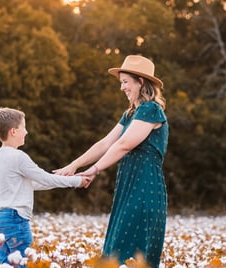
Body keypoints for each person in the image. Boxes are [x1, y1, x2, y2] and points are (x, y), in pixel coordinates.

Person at [54, 55, 169, 267]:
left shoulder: (151, 110)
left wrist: (95, 169)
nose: (122, 88)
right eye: (121, 83)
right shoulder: (131, 114)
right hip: (129, 186)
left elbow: (124, 144)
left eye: (125, 82)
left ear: (140, 82)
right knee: (117, 249)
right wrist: (75, 165)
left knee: (129, 252)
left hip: (145, 188)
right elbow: (105, 143)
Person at [0, 107, 91, 267]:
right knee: (23, 263)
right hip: (14, 218)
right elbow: (45, 178)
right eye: (24, 127)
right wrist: (76, 181)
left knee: (7, 264)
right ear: (13, 131)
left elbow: (32, 184)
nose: (27, 132)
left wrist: (61, 178)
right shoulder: (18, 157)